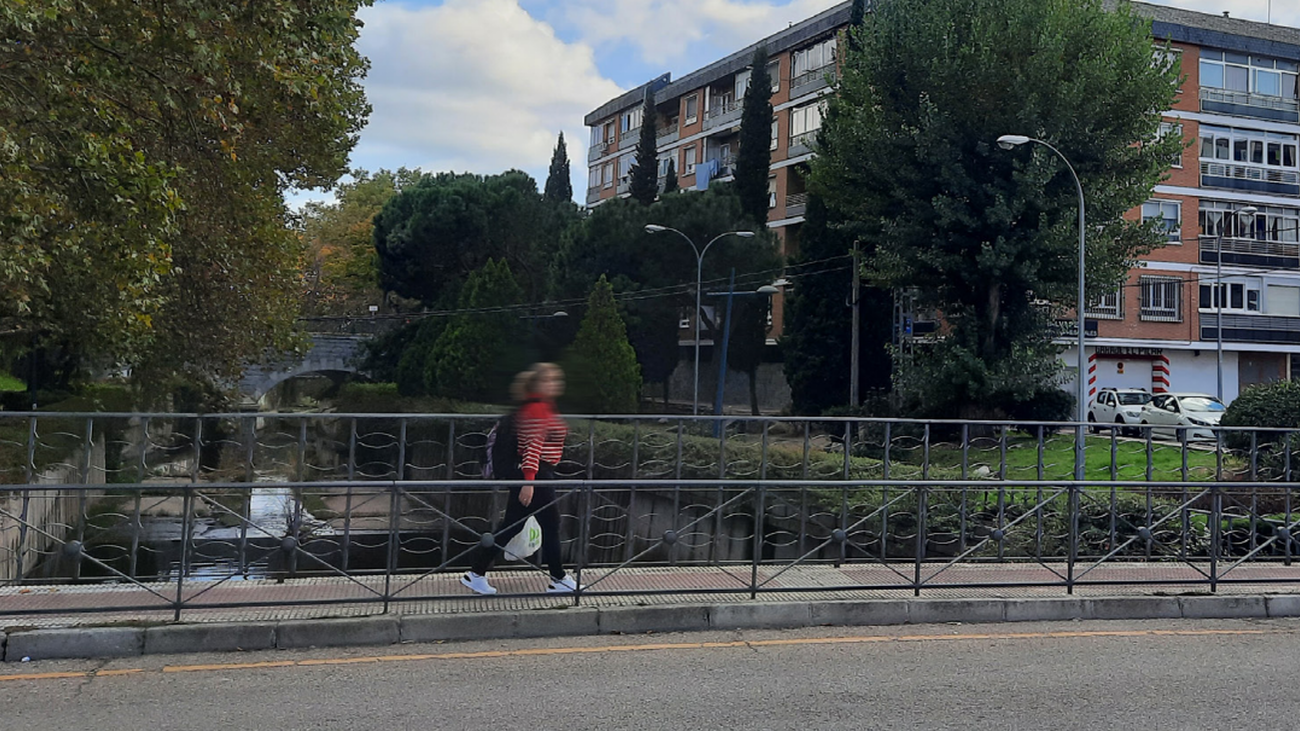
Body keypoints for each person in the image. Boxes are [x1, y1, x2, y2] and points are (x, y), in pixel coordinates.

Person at [461, 363, 581, 595]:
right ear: (536, 384)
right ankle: (558, 578)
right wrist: (529, 481)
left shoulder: (542, 407)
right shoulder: (537, 410)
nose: (555, 384)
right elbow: (532, 447)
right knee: (551, 525)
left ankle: (475, 573)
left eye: (556, 380)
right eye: (549, 380)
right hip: (537, 474)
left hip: (535, 474)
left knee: (511, 526)